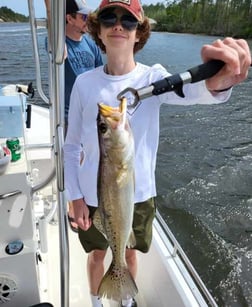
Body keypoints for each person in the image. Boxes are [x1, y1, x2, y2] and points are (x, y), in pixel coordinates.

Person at [63, 0, 251, 306]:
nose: (119, 25)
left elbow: (194, 91)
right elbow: (71, 147)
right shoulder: (85, 84)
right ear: (98, 30)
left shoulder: (153, 79)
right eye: (109, 18)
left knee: (129, 253)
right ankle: (97, 302)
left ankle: (126, 300)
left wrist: (220, 81)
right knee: (97, 255)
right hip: (92, 197)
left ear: (140, 32)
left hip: (138, 197)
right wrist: (74, 196)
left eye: (129, 20)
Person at [45, 0, 103, 232]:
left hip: (92, 114)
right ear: (69, 18)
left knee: (93, 159)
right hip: (69, 114)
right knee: (73, 160)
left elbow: (101, 76)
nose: (88, 21)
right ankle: (73, 207)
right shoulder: (59, 42)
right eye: (84, 17)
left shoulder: (91, 45)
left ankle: (91, 199)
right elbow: (51, 15)